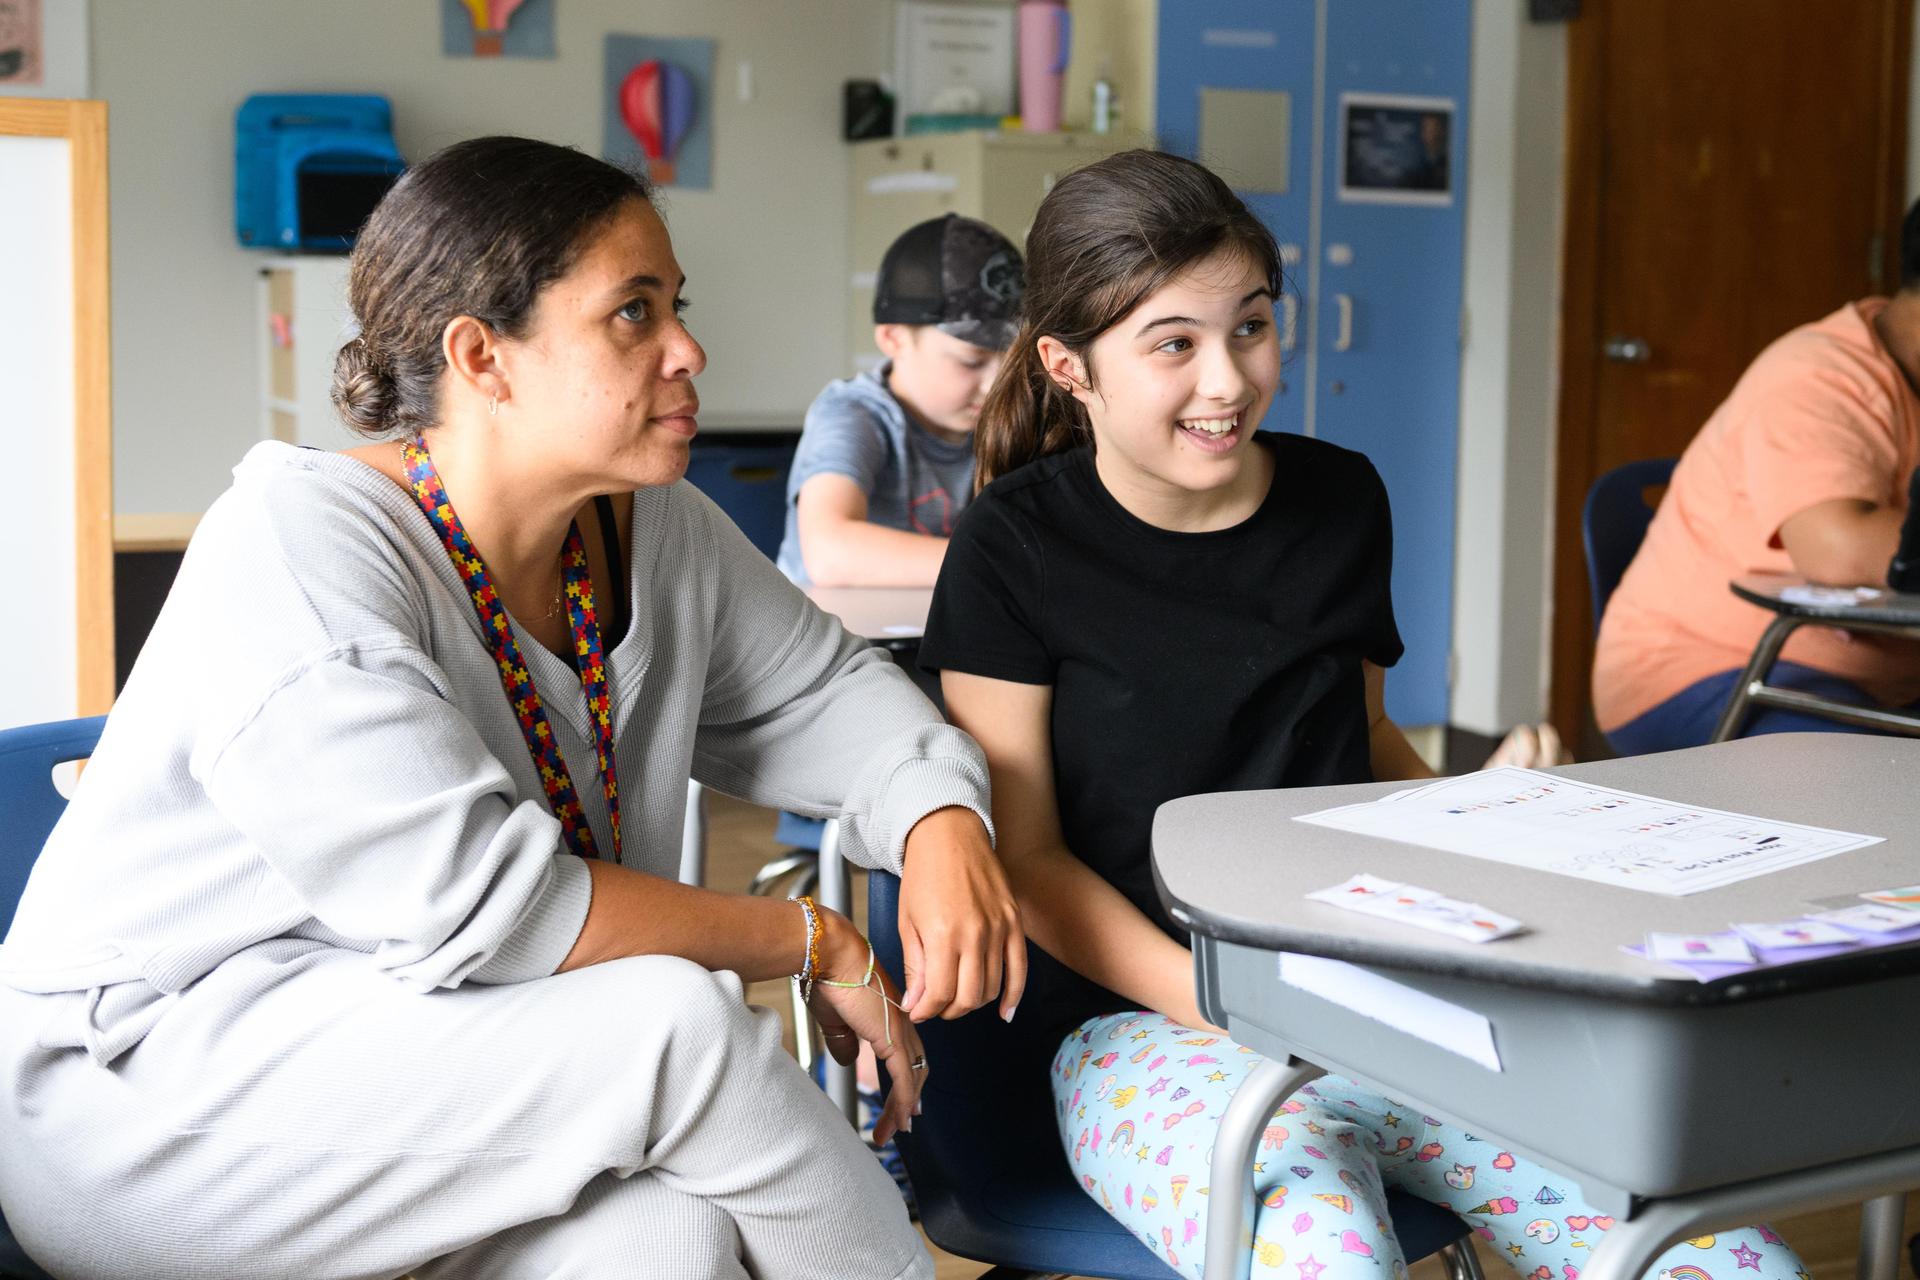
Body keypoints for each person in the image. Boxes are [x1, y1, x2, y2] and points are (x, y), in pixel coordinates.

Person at [0, 136, 1026, 1280]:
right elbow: (492, 911)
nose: (689, 348)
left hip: (431, 1065)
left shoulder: (645, 523)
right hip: (151, 1101)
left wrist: (938, 818)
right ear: (483, 357)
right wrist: (809, 934)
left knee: (667, 1238)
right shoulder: (298, 547)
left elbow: (834, 693)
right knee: (675, 1026)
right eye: (632, 314)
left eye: (676, 304)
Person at [918, 149, 1804, 1280]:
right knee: (1325, 1249)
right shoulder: (1014, 545)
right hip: (1141, 1022)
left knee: (1719, 1252)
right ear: (1069, 365)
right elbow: (1029, 858)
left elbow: (1362, 746)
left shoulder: (1342, 498)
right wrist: (1226, 1003)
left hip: (1388, 999)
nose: (1229, 378)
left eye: (1251, 325)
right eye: (1174, 343)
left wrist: (1497, 809)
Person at [1594, 199, 1920, 755]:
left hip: (1874, 681)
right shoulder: (1818, 374)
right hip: (1709, 668)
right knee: (1888, 802)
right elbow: (1837, 549)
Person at [775, 213, 1025, 588]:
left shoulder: (1004, 418)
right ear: (894, 339)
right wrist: (1004, 564)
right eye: (972, 361)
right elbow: (829, 551)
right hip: (828, 640)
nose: (996, 384)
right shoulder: (854, 413)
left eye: (1014, 359)